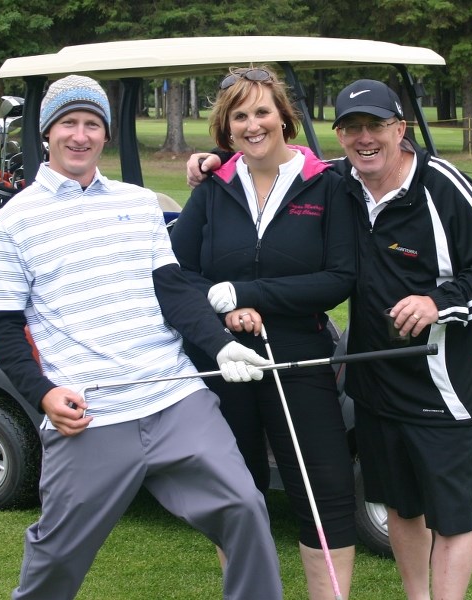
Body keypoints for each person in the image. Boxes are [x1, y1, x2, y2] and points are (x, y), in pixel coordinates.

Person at [186, 78, 472, 600]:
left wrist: (440, 303)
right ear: (338, 135)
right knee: (400, 506)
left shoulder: (440, 184)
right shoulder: (339, 182)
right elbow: (274, 158)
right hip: (374, 382)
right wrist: (216, 159)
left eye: (376, 126)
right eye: (351, 128)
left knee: (451, 517)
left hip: (440, 381)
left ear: (400, 129)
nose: (364, 138)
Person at [0, 74, 283, 600]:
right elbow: (3, 327)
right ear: (47, 132)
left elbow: (174, 291)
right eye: (69, 124)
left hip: (173, 399)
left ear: (105, 134)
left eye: (92, 124)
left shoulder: (139, 203)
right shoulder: (13, 222)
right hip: (90, 414)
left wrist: (220, 345)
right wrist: (44, 395)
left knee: (244, 506)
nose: (81, 136)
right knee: (58, 554)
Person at [171, 66, 357, 600]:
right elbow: (179, 274)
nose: (253, 125)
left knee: (323, 490)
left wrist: (251, 296)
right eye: (240, 116)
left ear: (284, 117)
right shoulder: (213, 186)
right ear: (226, 129)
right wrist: (222, 314)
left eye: (262, 112)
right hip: (221, 358)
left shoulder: (327, 184)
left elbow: (338, 278)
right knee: (237, 491)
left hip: (298, 355)